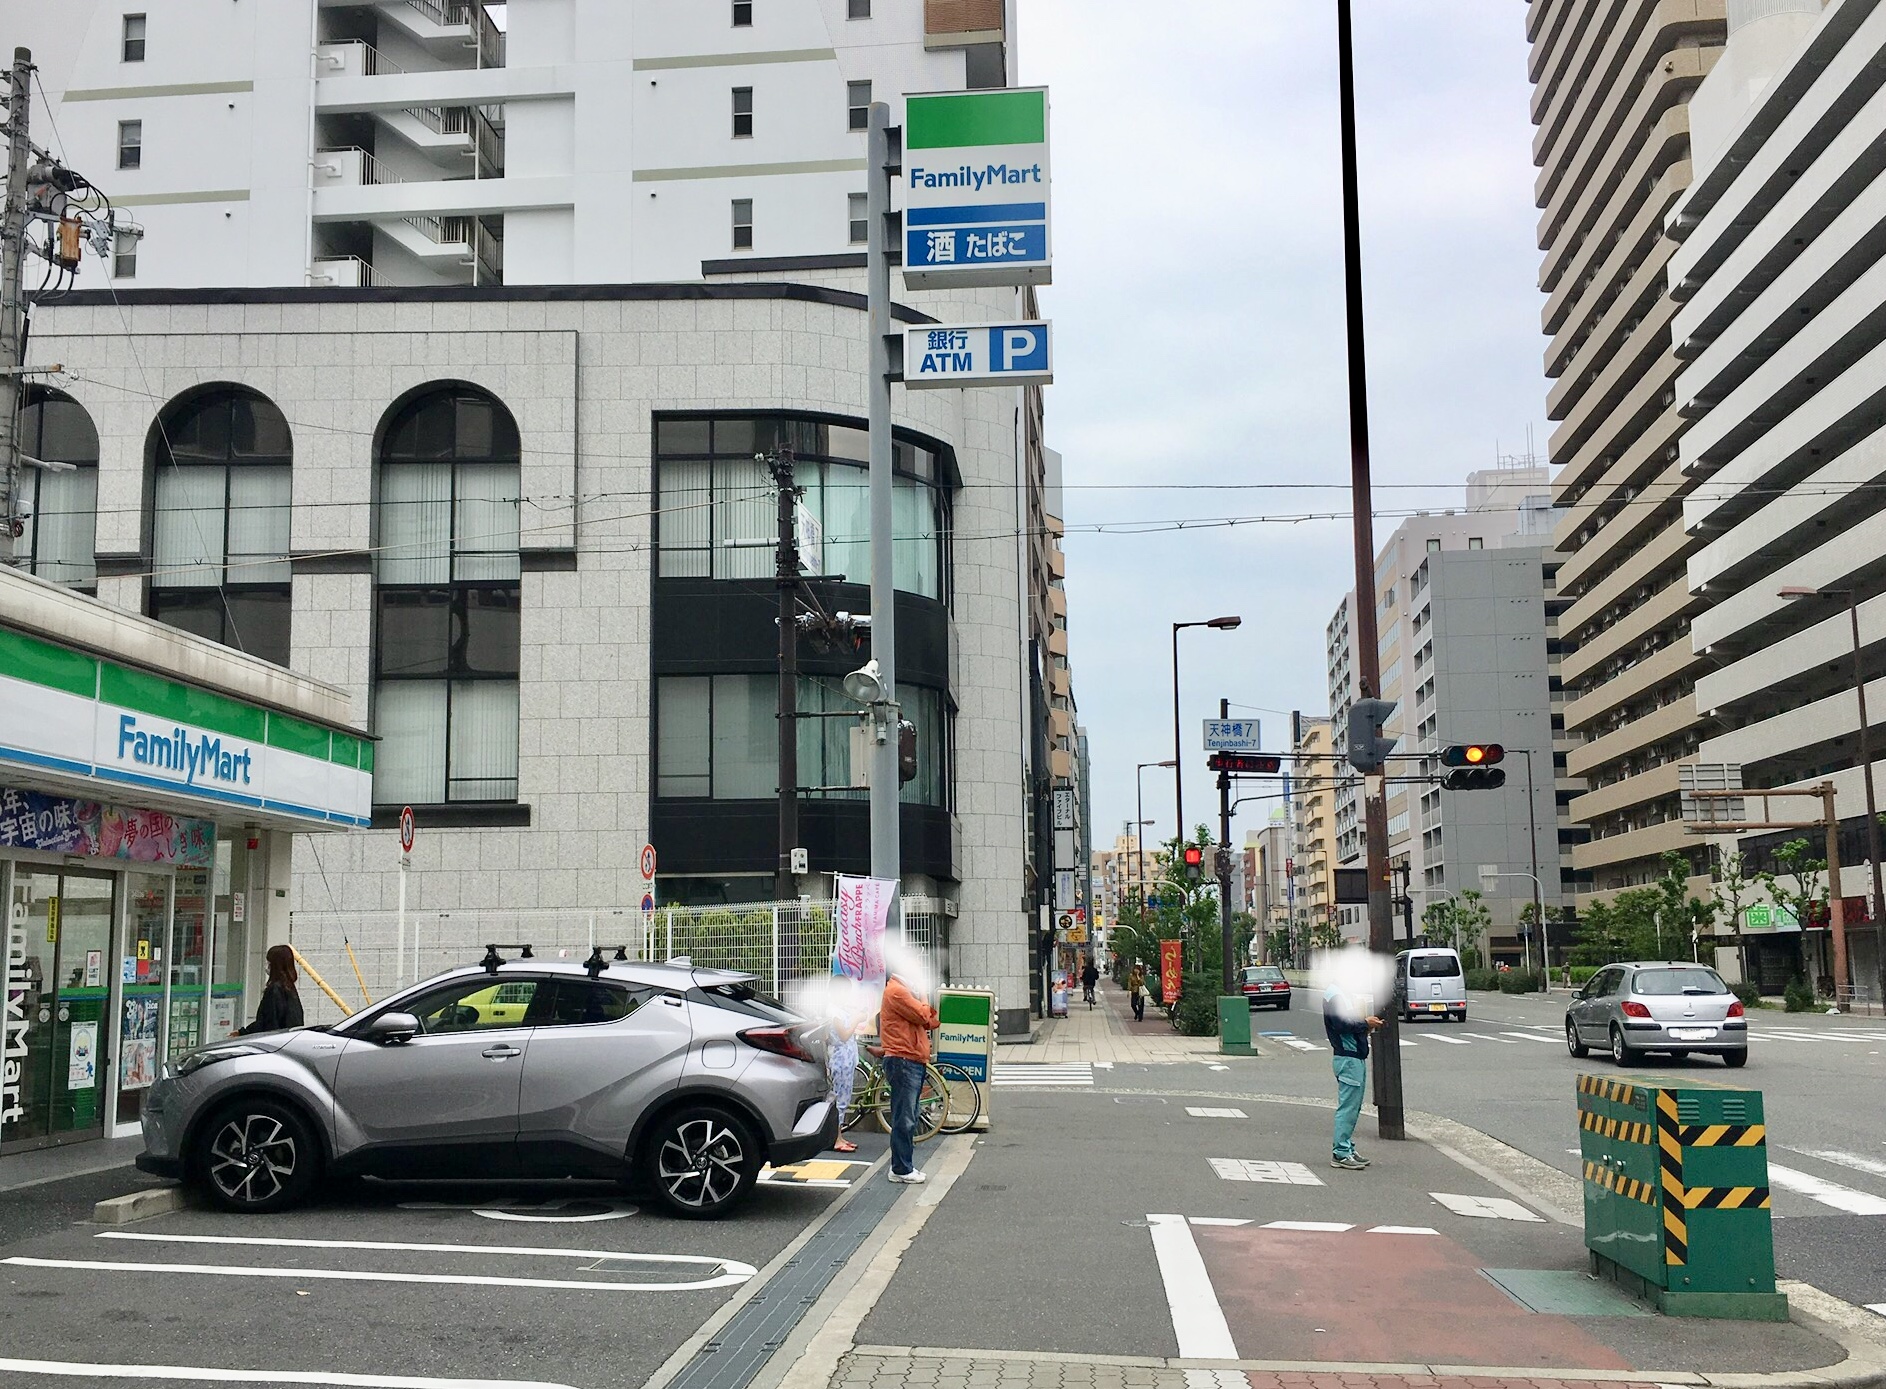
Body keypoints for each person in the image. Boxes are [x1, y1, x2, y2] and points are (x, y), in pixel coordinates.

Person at [878, 967, 940, 1184]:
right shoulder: (898, 992)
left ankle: (903, 1166)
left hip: (911, 1059)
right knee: (904, 1118)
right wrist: (924, 995)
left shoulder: (904, 992)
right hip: (904, 1060)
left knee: (909, 1115)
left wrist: (923, 1005)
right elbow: (924, 1015)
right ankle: (901, 1168)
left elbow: (930, 1020)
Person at [1323, 982, 1381, 1171]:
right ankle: (1341, 1152)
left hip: (1353, 1057)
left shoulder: (1342, 993)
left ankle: (1346, 1147)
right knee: (1348, 1107)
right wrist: (1366, 1023)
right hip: (1348, 1057)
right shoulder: (1335, 995)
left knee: (1352, 1107)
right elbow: (1341, 1024)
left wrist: (1366, 1025)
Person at [825, 974, 869, 1155]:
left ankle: (839, 1137)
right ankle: (835, 1139)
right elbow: (843, 1035)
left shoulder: (839, 1009)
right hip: (840, 1059)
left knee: (843, 1098)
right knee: (839, 1100)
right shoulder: (833, 1011)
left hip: (846, 1059)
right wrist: (857, 1019)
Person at [239, 945, 305, 1035]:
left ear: (274, 965)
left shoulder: (274, 990)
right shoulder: (290, 988)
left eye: (269, 962)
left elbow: (267, 1021)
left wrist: (243, 1032)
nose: (267, 965)